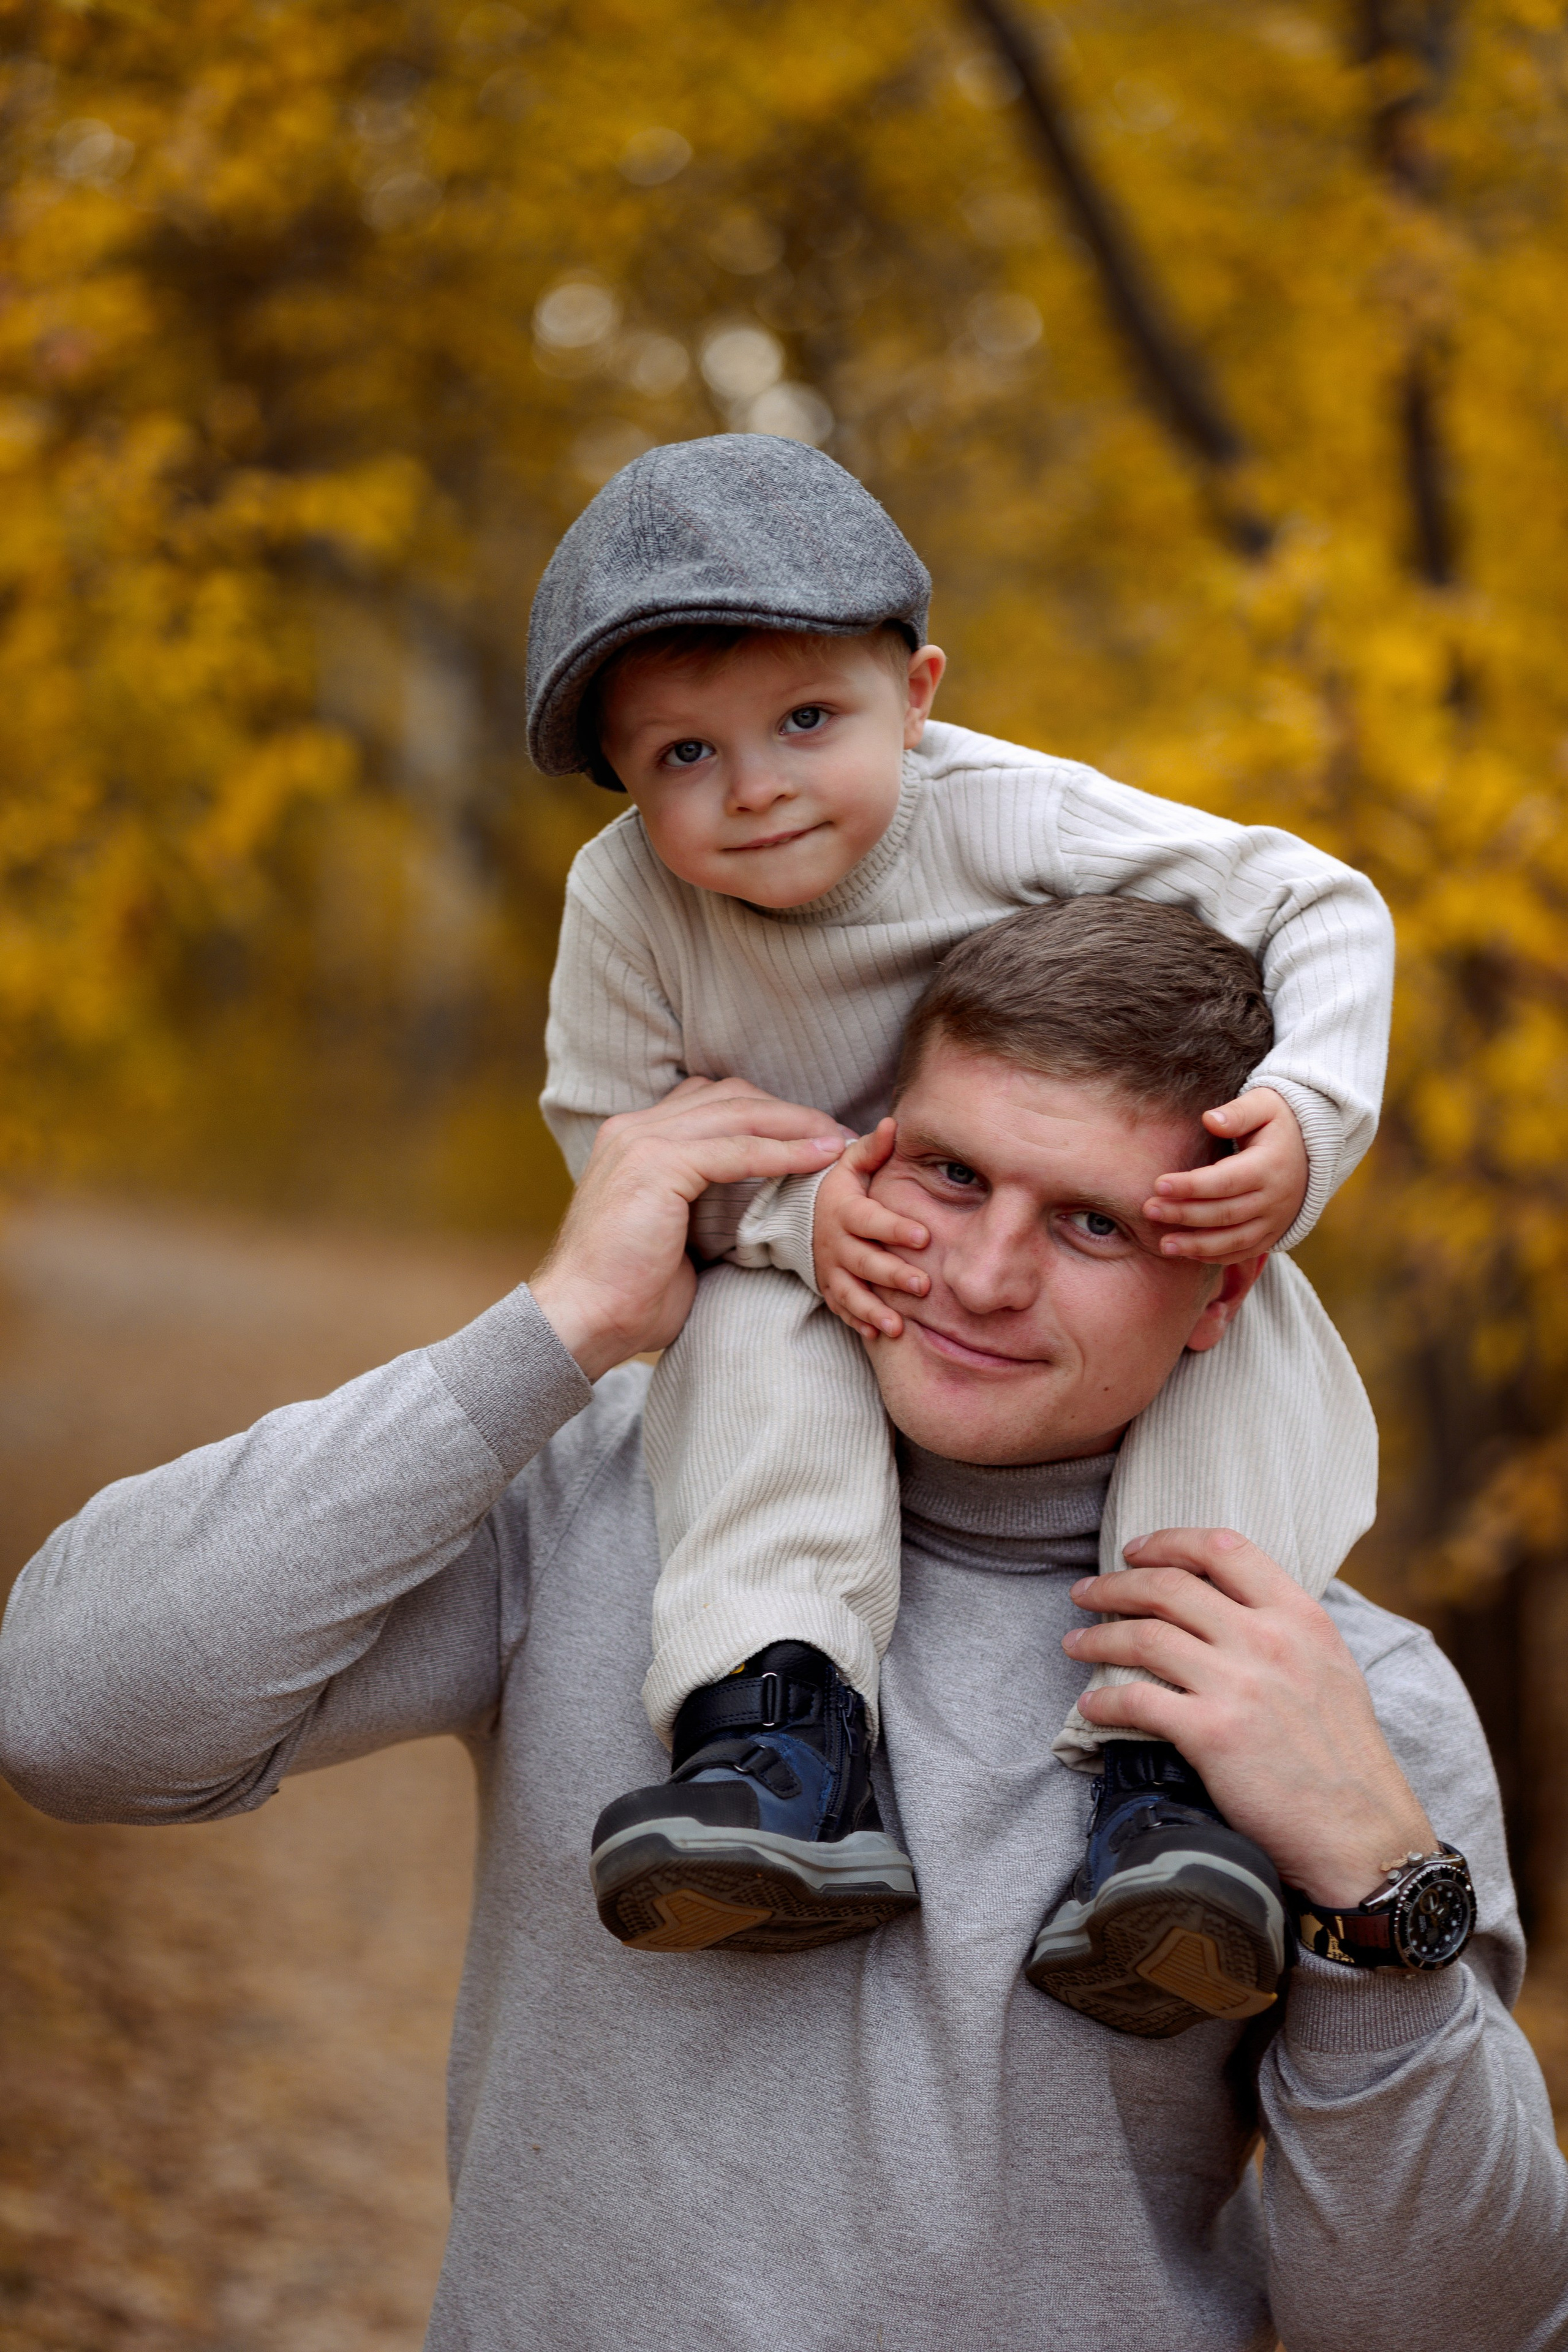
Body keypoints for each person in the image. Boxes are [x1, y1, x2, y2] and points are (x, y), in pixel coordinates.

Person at [1, 900, 1562, 2352]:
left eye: (1093, 1226)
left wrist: (1375, 1892)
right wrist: (557, 1330)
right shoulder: (607, 1494)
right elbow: (71, 1716)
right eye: (949, 1174)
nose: (984, 1275)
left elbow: (1459, 2328)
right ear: (864, 1158)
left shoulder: (1326, 1693)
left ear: (1221, 1290)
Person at [528, 431, 1390, 1960]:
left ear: (915, 698)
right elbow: (612, 1135)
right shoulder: (627, 897)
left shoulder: (1005, 814)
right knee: (751, 1345)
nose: (756, 791)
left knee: (1230, 1321)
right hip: (806, 1243)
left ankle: (1175, 1783)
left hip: (1060, 1223)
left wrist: (1305, 1116)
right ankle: (776, 1738)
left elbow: (1311, 899)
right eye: (682, 756)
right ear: (616, 773)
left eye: (806, 719)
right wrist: (785, 1226)